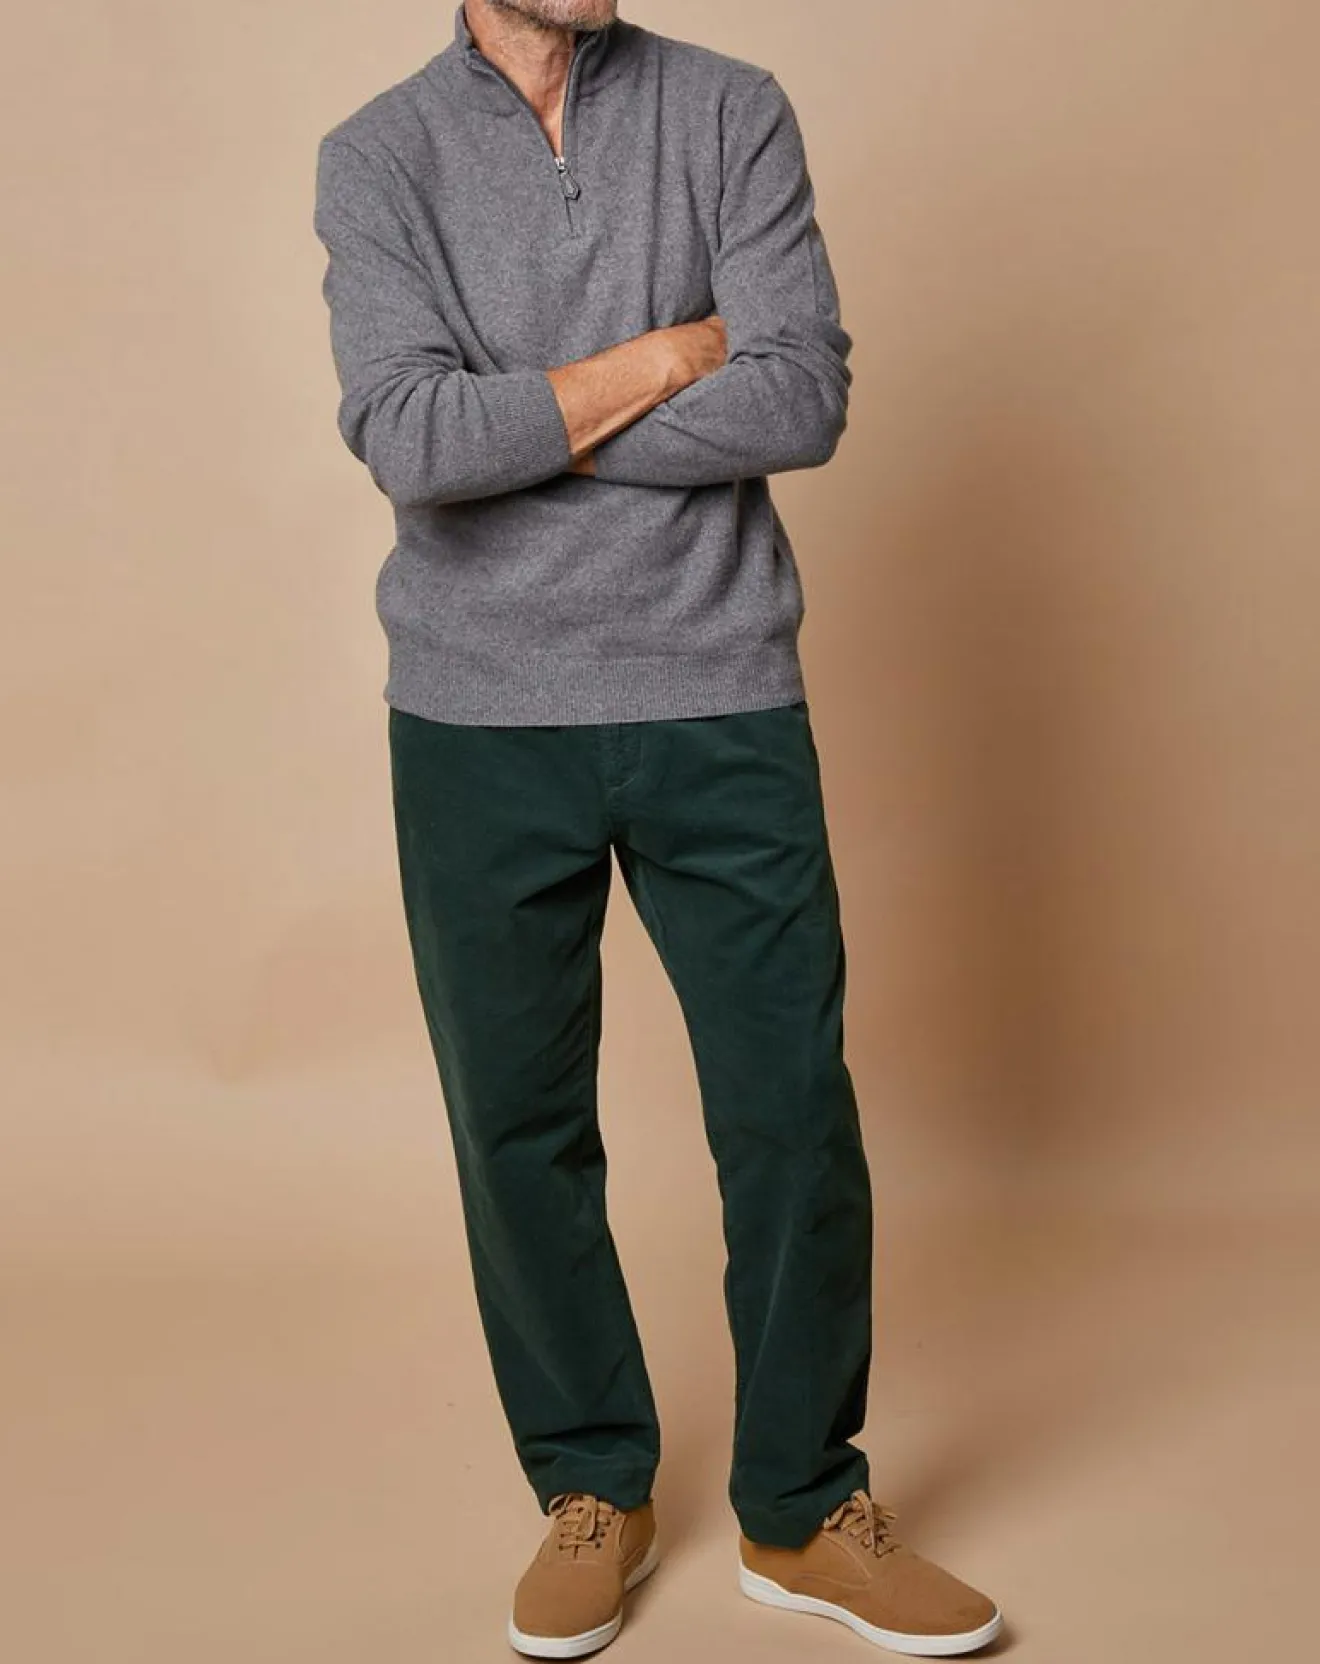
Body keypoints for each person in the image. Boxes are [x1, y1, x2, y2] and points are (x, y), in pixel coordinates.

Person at [313, 2, 1003, 1655]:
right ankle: (590, 1484)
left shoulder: (730, 109)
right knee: (517, 1126)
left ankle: (801, 1504)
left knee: (791, 1112)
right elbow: (407, 438)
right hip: (477, 718)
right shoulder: (379, 155)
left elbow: (800, 398)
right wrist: (666, 355)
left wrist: (522, 419)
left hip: (719, 692)